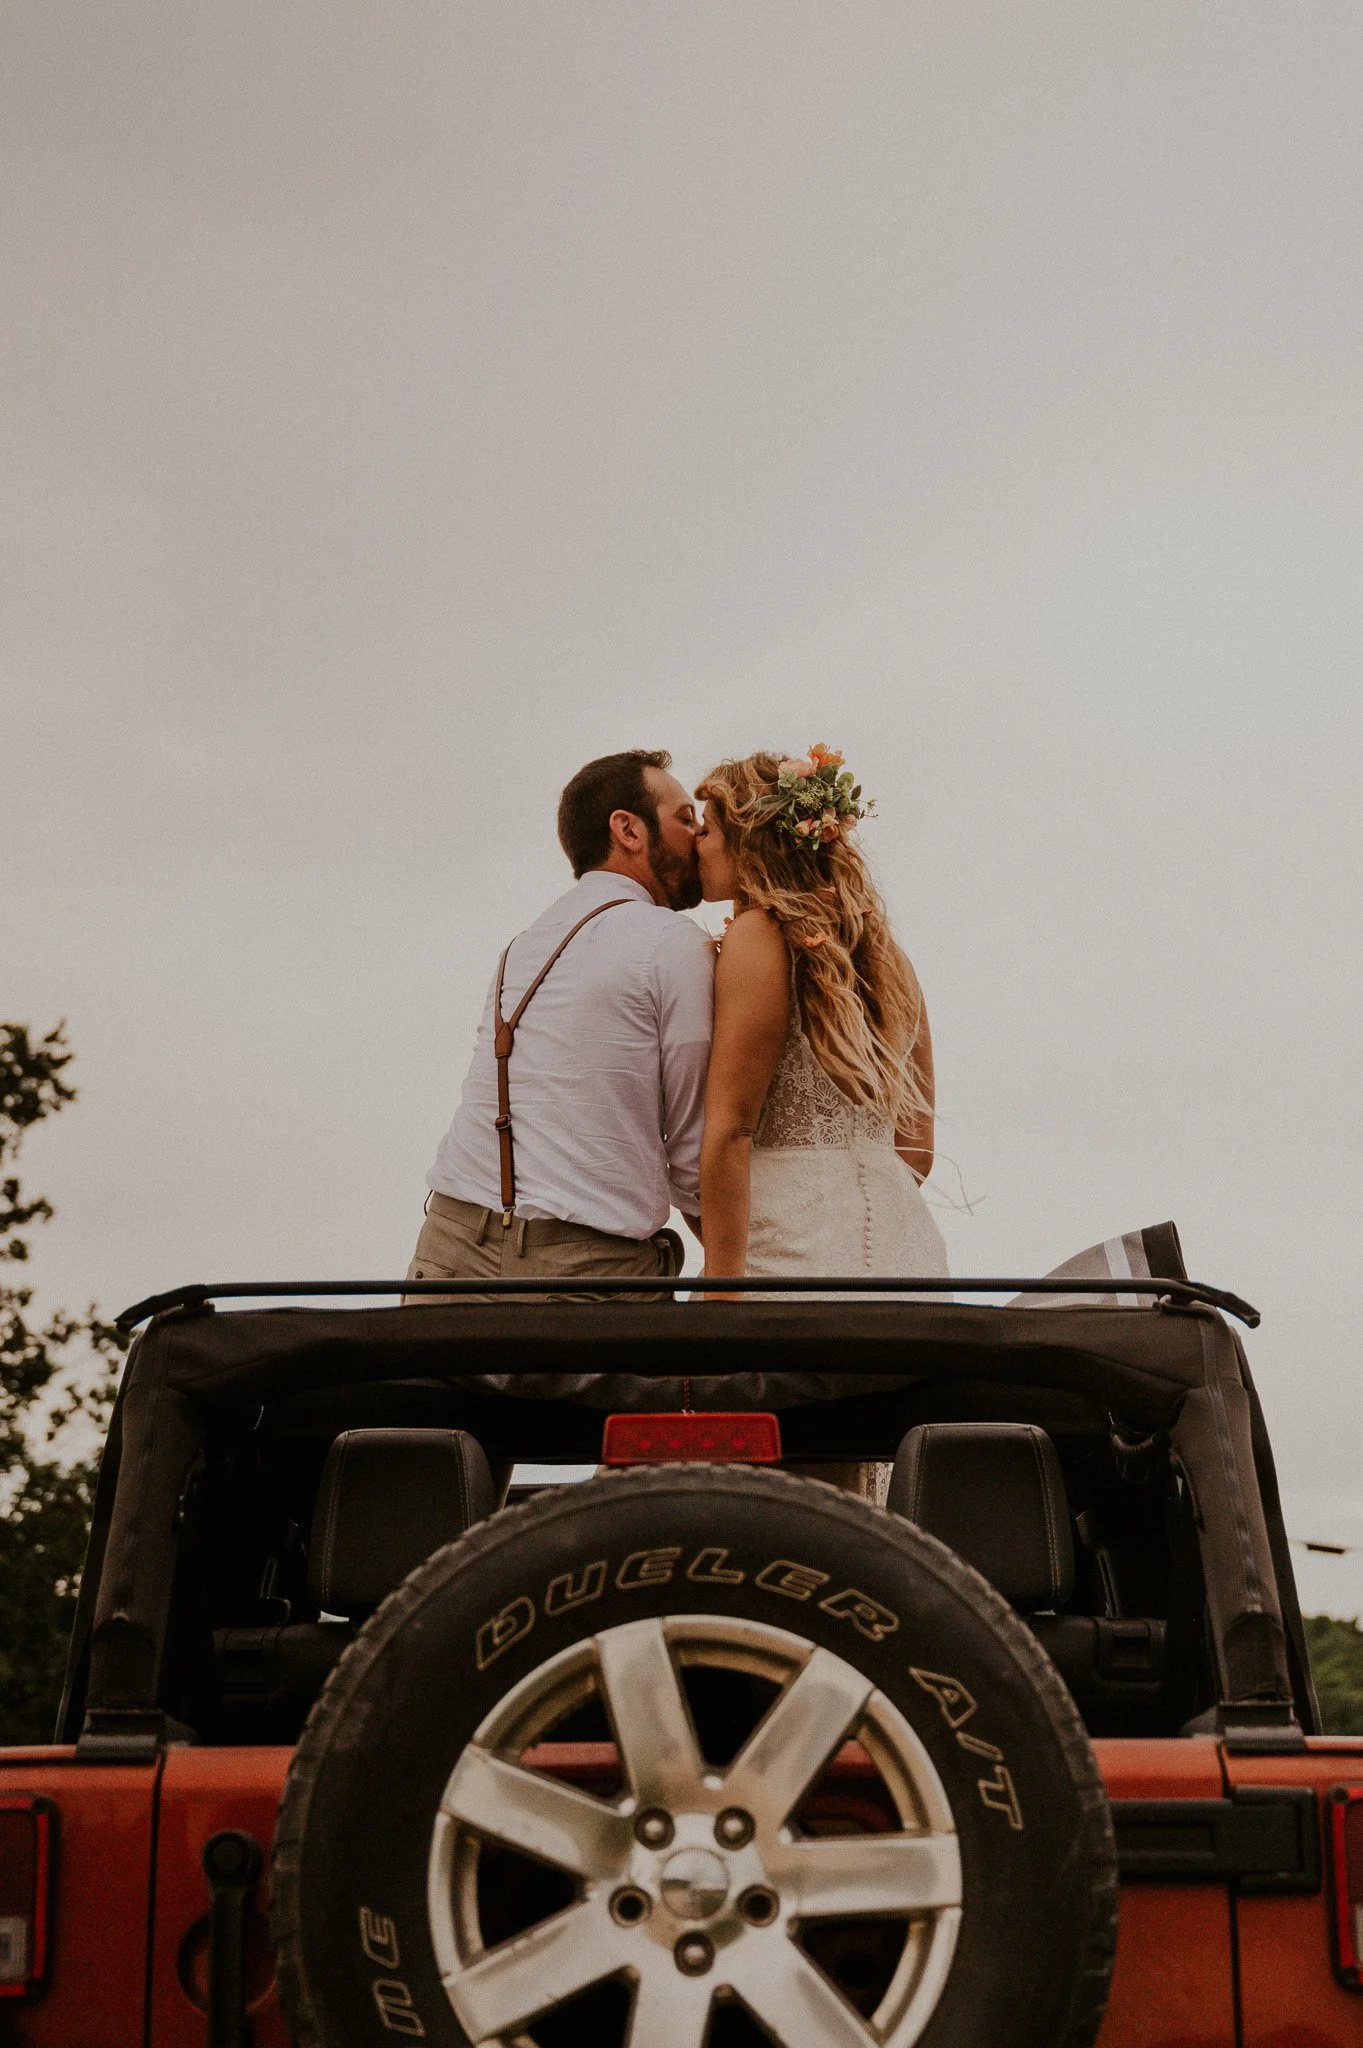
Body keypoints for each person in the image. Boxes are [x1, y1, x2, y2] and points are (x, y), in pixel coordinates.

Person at [407, 749, 713, 1300]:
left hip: (448, 1255)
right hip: (584, 1278)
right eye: (685, 817)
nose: (699, 833)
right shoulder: (673, 942)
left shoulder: (523, 945)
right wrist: (748, 1269)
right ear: (629, 829)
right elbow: (692, 1151)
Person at [694, 745, 948, 1293]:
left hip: (790, 1255)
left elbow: (732, 1128)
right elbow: (917, 1152)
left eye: (708, 831)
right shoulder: (886, 955)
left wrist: (719, 1287)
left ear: (750, 842)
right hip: (911, 1261)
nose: (696, 845)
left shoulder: (757, 936)